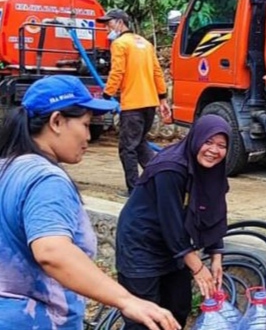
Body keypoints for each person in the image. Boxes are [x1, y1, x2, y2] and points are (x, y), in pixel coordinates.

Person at [0, 75, 179, 330]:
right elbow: (52, 251)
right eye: (85, 125)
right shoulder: (46, 179)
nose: (88, 137)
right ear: (57, 121)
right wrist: (126, 300)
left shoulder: (7, 169)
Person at [115, 114, 231, 330]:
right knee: (144, 318)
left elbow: (214, 210)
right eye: (208, 142)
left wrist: (216, 256)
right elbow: (171, 222)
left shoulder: (212, 170)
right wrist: (197, 268)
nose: (214, 150)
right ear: (196, 138)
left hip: (174, 248)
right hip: (142, 245)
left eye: (221, 145)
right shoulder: (170, 168)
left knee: (177, 308)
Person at [97, 9, 171, 195]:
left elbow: (117, 72)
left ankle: (135, 189)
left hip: (133, 105)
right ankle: (160, 179)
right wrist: (162, 97)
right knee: (139, 144)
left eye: (109, 23)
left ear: (120, 22)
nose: (107, 27)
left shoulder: (120, 44)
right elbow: (157, 72)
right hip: (149, 105)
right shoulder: (145, 44)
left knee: (127, 148)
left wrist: (107, 94)